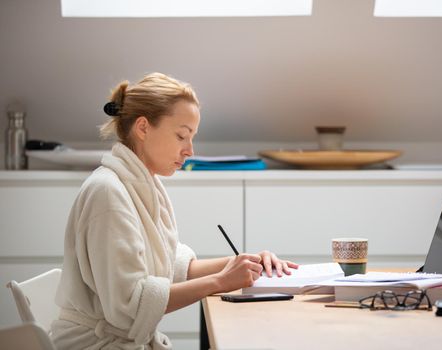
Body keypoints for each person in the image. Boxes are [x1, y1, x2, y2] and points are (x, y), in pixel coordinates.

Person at [50, 72, 298, 349]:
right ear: (143, 127)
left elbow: (175, 269)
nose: (189, 150)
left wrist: (247, 263)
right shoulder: (108, 193)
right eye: (182, 136)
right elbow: (128, 307)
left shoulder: (147, 184)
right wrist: (220, 281)